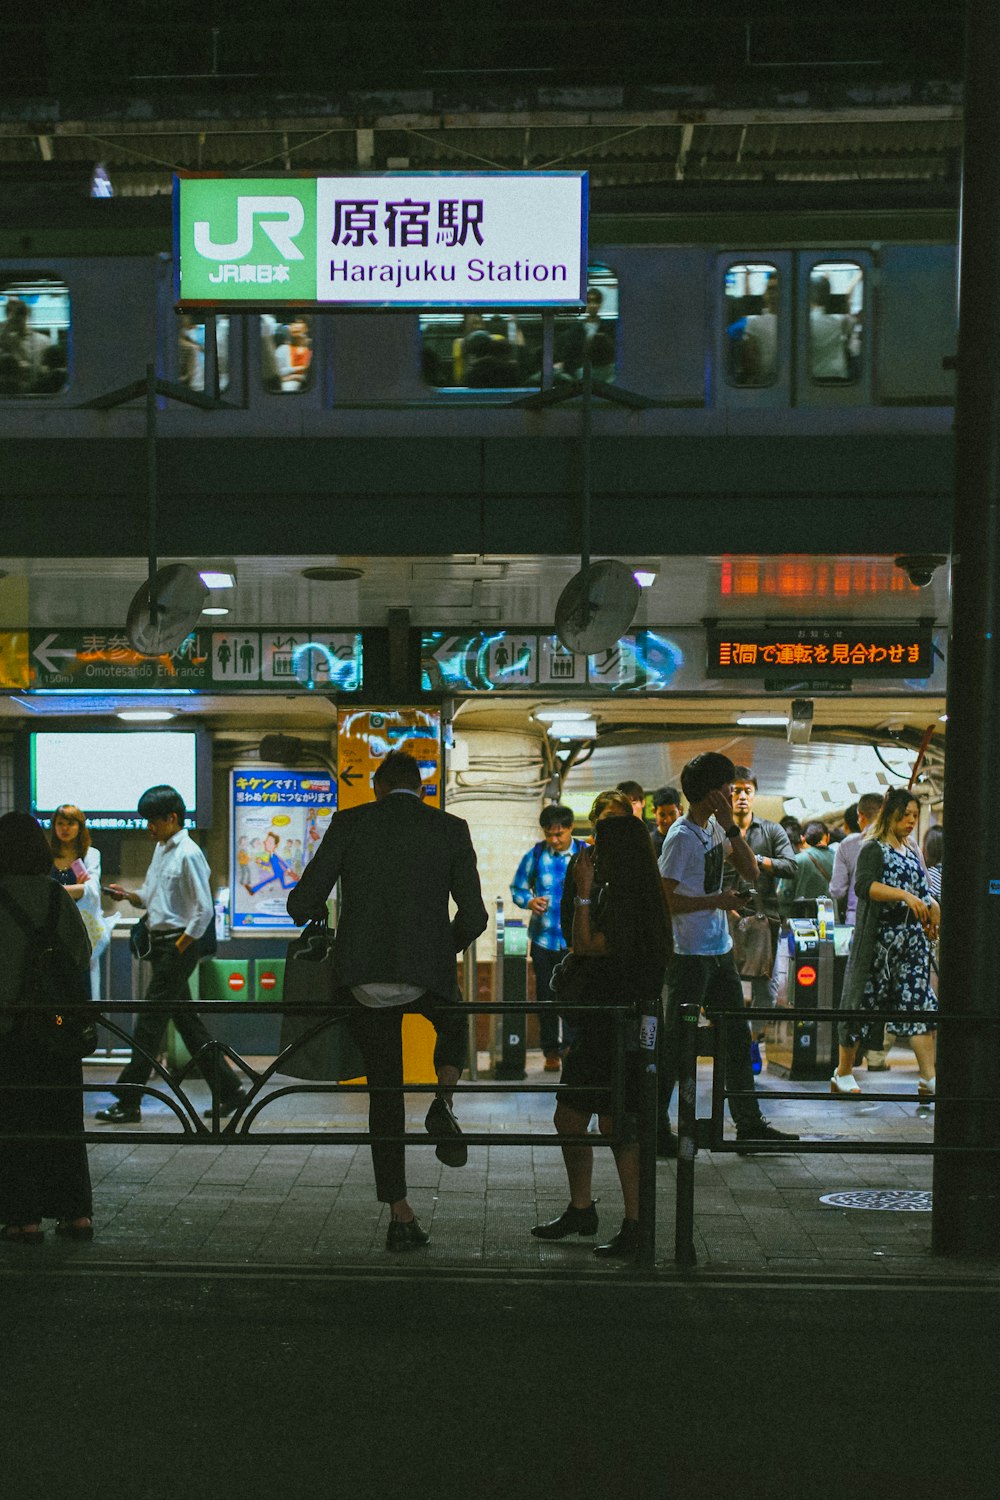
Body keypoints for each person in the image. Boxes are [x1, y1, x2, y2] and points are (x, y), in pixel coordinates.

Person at [287, 750, 488, 1252]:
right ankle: (443, 1099)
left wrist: (330, 924)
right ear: (420, 788)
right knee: (453, 1018)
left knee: (386, 1093)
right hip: (426, 977)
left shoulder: (350, 823)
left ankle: (400, 1213)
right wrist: (441, 950)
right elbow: (475, 915)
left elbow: (301, 904)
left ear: (377, 787)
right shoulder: (450, 828)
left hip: (362, 980)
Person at [532, 811, 669, 1260]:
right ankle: (582, 1208)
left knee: (618, 1124)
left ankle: (635, 1223)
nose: (590, 855)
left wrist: (585, 893)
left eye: (598, 847)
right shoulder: (631, 893)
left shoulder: (631, 900)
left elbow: (586, 945)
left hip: (624, 1026)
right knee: (571, 1116)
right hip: (602, 1023)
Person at [658, 753, 800, 1152]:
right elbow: (665, 900)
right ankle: (657, 1126)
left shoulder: (714, 831)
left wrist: (731, 831)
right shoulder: (681, 837)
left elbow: (753, 871)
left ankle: (749, 1124)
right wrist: (716, 900)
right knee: (675, 1043)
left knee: (736, 1038)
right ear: (710, 793)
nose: (731, 794)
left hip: (719, 951)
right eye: (726, 788)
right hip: (688, 955)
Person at [96, 785, 247, 1124]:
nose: (148, 827)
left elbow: (203, 909)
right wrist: (129, 895)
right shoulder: (163, 850)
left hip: (177, 946)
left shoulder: (189, 852)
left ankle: (129, 1099)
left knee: (149, 1022)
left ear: (172, 818)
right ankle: (231, 1090)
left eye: (152, 821)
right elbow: (152, 896)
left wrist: (181, 945)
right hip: (165, 944)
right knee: (187, 1024)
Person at [0, 812, 93, 1243]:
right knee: (62, 1120)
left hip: (10, 1031)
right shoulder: (58, 897)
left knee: (14, 1123)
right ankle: (75, 1215)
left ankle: (24, 1219)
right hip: (57, 1030)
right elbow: (81, 954)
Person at [832, 789, 939, 1098]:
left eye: (915, 816)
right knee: (861, 1003)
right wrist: (904, 896)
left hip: (911, 945)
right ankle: (843, 1072)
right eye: (904, 815)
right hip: (878, 944)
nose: (910, 821)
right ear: (890, 815)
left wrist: (933, 912)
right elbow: (865, 886)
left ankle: (929, 1077)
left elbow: (924, 891)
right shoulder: (873, 849)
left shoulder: (912, 849)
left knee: (917, 1003)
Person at [510, 805, 587, 1070]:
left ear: (570, 829)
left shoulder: (585, 853)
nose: (554, 840)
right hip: (543, 938)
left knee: (575, 996)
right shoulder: (536, 854)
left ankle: (572, 1047)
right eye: (549, 834)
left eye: (559, 834)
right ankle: (550, 1052)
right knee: (546, 997)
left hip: (576, 940)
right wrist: (529, 901)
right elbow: (517, 888)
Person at [722, 767, 797, 1010]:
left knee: (764, 983)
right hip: (722, 915)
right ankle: (733, 1034)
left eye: (747, 791)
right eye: (736, 791)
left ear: (754, 794)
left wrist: (758, 860)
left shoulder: (771, 830)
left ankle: (756, 1038)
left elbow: (791, 866)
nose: (742, 797)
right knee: (724, 980)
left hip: (764, 918)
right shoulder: (715, 830)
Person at [48, 804, 108, 1000]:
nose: (65, 828)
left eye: (71, 823)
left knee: (83, 991)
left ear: (80, 827)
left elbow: (91, 892)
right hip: (51, 931)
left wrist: (56, 891)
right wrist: (75, 890)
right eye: (61, 823)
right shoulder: (46, 855)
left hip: (81, 931)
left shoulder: (90, 854)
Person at [830, 793, 884, 926]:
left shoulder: (848, 845)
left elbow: (837, 890)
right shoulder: (907, 844)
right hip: (893, 921)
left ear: (860, 815)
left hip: (857, 920)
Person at [782, 820, 835, 913]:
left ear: (802, 838)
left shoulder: (796, 861)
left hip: (802, 920)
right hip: (831, 917)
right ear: (828, 837)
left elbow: (785, 894)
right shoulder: (838, 858)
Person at [650, 786, 683, 858]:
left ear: (680, 809)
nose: (667, 820)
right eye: (662, 815)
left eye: (672, 814)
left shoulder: (687, 838)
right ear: (654, 812)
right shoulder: (649, 844)